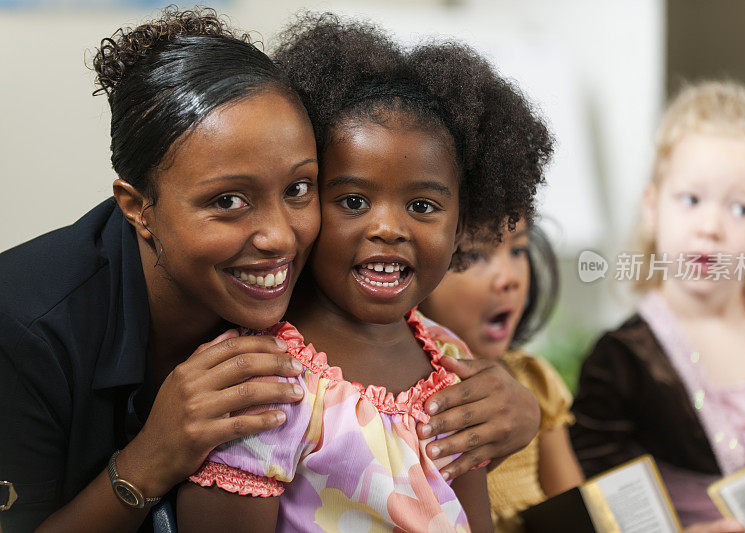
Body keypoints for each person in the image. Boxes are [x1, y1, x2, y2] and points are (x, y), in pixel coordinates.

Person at [0, 8, 542, 532]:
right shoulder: (24, 328)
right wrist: (149, 459)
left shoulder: (348, 299)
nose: (281, 236)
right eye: (229, 200)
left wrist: (519, 408)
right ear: (138, 207)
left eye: (299, 189)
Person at [176, 13, 553, 532]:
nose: (389, 228)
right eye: (353, 200)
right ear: (303, 201)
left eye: (423, 206)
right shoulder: (263, 383)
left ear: (463, 223)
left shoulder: (453, 363)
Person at [570, 81, 745, 533]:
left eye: (740, 210)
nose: (710, 227)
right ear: (653, 209)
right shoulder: (619, 361)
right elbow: (599, 506)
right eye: (691, 200)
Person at [420, 220, 584, 532]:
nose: (509, 278)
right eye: (473, 256)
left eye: (518, 250)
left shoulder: (534, 379)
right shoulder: (405, 397)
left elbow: (576, 509)